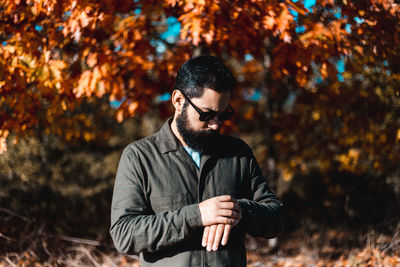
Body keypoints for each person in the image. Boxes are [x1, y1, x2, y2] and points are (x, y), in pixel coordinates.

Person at [110, 55, 284, 267]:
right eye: (206, 114)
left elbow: (276, 217)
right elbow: (124, 234)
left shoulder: (238, 153)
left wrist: (239, 210)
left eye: (223, 114)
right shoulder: (139, 156)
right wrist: (196, 215)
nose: (215, 124)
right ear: (178, 101)